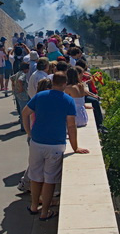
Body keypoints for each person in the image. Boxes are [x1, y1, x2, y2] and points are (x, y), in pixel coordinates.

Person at [22, 72, 89, 220]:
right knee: (49, 179)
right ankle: (45, 212)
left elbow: (25, 113)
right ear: (65, 84)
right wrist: (75, 147)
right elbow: (71, 126)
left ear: (53, 83)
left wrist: (29, 132)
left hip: (37, 141)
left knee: (35, 176)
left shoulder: (40, 96)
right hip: (56, 145)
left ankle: (34, 206)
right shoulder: (68, 100)